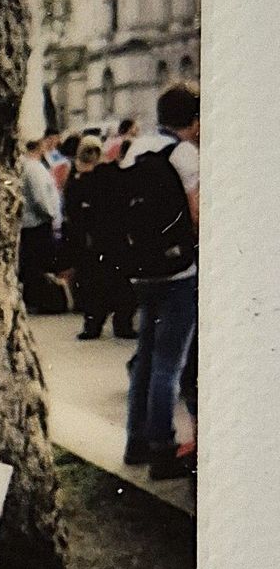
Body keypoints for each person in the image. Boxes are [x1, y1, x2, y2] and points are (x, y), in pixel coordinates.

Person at [119, 84, 200, 479]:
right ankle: (162, 448)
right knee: (171, 362)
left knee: (146, 358)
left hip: (141, 268)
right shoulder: (185, 153)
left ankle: (135, 442)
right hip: (177, 271)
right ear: (195, 120)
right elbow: (198, 214)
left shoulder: (136, 149)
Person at [60, 135, 136, 341]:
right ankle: (121, 323)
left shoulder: (78, 180)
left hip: (94, 241)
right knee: (119, 283)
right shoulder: (111, 174)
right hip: (113, 238)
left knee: (95, 286)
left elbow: (73, 211)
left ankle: (94, 324)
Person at [18, 134, 66, 313]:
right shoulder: (34, 168)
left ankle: (35, 300)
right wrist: (52, 214)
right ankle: (43, 301)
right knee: (38, 266)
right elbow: (40, 198)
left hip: (29, 222)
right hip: (38, 222)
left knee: (31, 265)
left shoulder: (25, 166)